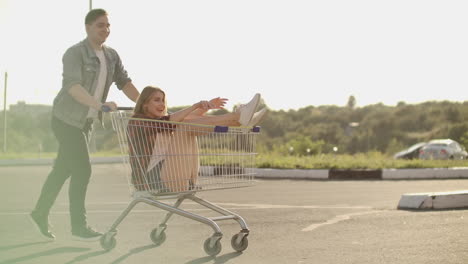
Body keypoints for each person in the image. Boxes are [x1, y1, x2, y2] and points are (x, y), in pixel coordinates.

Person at [30, 8, 140, 241]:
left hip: (86, 122)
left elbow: (125, 83)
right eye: (100, 25)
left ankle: (39, 212)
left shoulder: (111, 56)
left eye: (108, 25)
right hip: (65, 119)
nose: (106, 29)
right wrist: (99, 105)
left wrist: (146, 105)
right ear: (88, 27)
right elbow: (72, 86)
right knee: (82, 169)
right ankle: (79, 225)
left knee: (63, 169)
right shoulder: (74, 53)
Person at [127, 86, 267, 193]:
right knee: (185, 127)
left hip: (175, 175)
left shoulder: (160, 121)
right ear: (145, 104)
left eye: (163, 100)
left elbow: (187, 117)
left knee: (187, 124)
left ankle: (240, 120)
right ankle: (239, 118)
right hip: (152, 182)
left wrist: (203, 108)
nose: (162, 104)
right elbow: (170, 121)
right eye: (156, 100)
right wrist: (195, 105)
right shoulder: (137, 122)